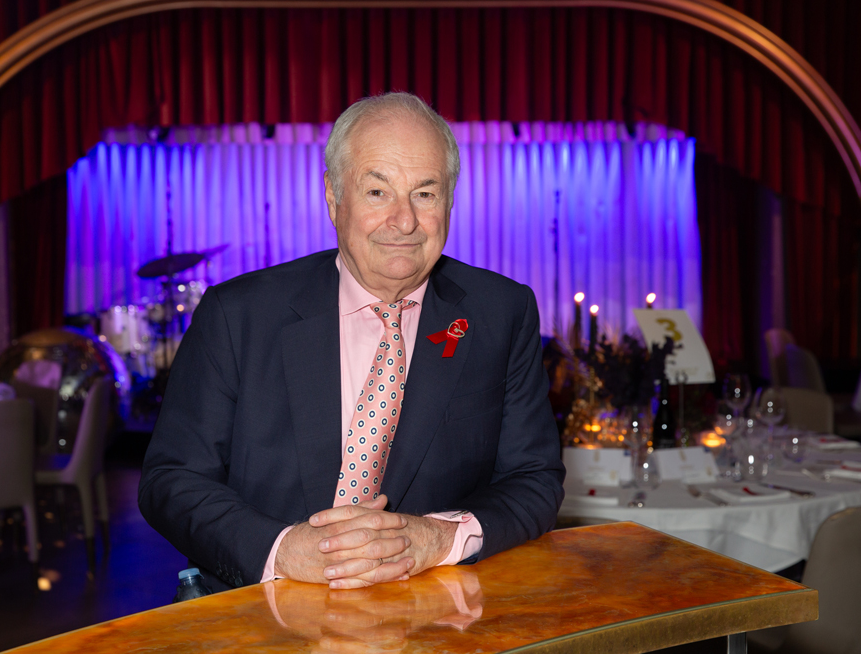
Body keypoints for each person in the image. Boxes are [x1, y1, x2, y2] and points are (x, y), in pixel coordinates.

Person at [139, 92, 564, 593]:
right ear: (333, 196)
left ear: (449, 201)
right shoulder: (238, 315)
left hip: (434, 621)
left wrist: (439, 537)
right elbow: (171, 480)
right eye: (377, 192)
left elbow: (535, 479)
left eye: (425, 193)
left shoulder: (501, 312)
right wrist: (282, 549)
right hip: (259, 616)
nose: (404, 221)